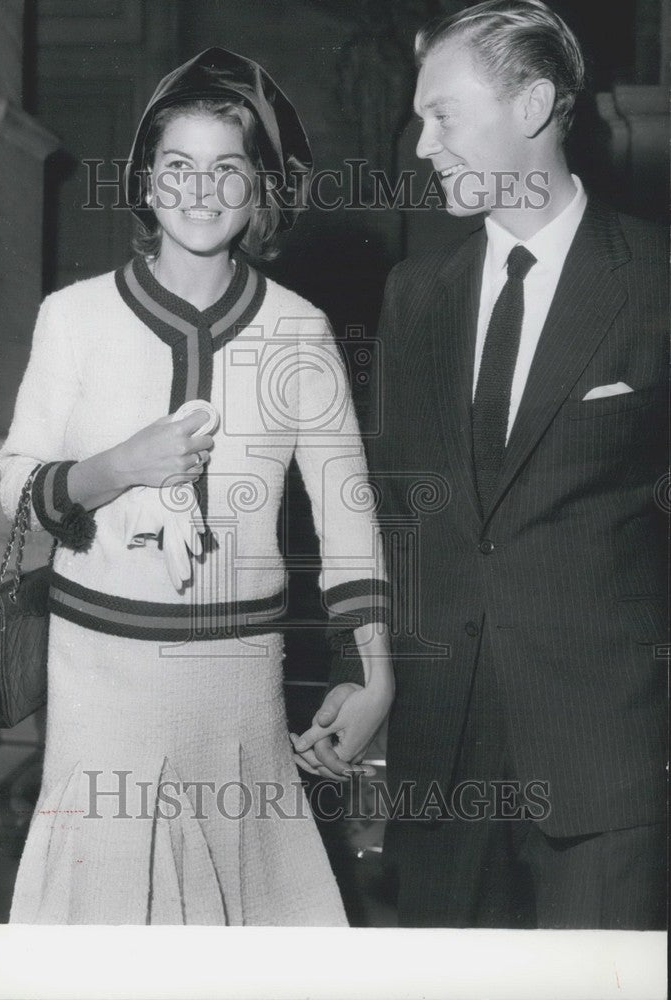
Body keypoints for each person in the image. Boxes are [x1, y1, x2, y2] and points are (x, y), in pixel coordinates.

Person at [295, 1, 668, 929]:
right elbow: (393, 506)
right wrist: (365, 667)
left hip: (605, 765)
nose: (422, 146)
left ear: (535, 104)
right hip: (441, 765)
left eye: (443, 115)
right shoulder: (415, 293)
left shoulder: (656, 282)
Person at [0, 47, 393, 925]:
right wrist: (120, 467)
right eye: (177, 166)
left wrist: (377, 676)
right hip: (103, 675)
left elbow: (348, 515)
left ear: (261, 191)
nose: (201, 190)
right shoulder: (74, 318)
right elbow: (18, 490)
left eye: (229, 169)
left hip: (241, 684)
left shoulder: (302, 328)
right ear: (144, 182)